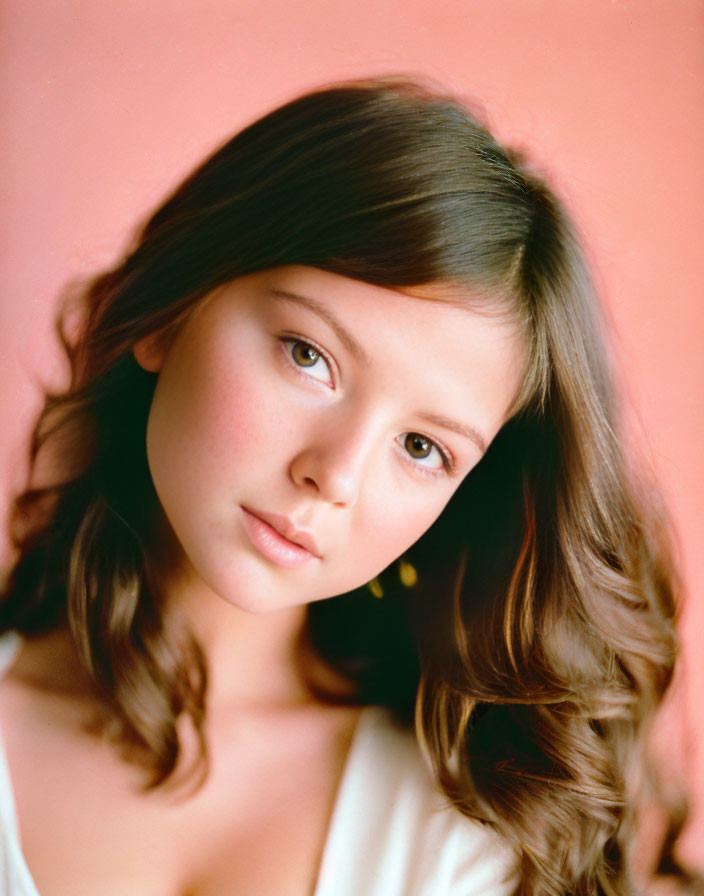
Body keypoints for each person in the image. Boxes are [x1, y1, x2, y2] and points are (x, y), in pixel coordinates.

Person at [0, 78, 691, 895]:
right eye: (309, 356)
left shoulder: (477, 831)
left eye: (423, 447)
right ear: (168, 309)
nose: (334, 475)